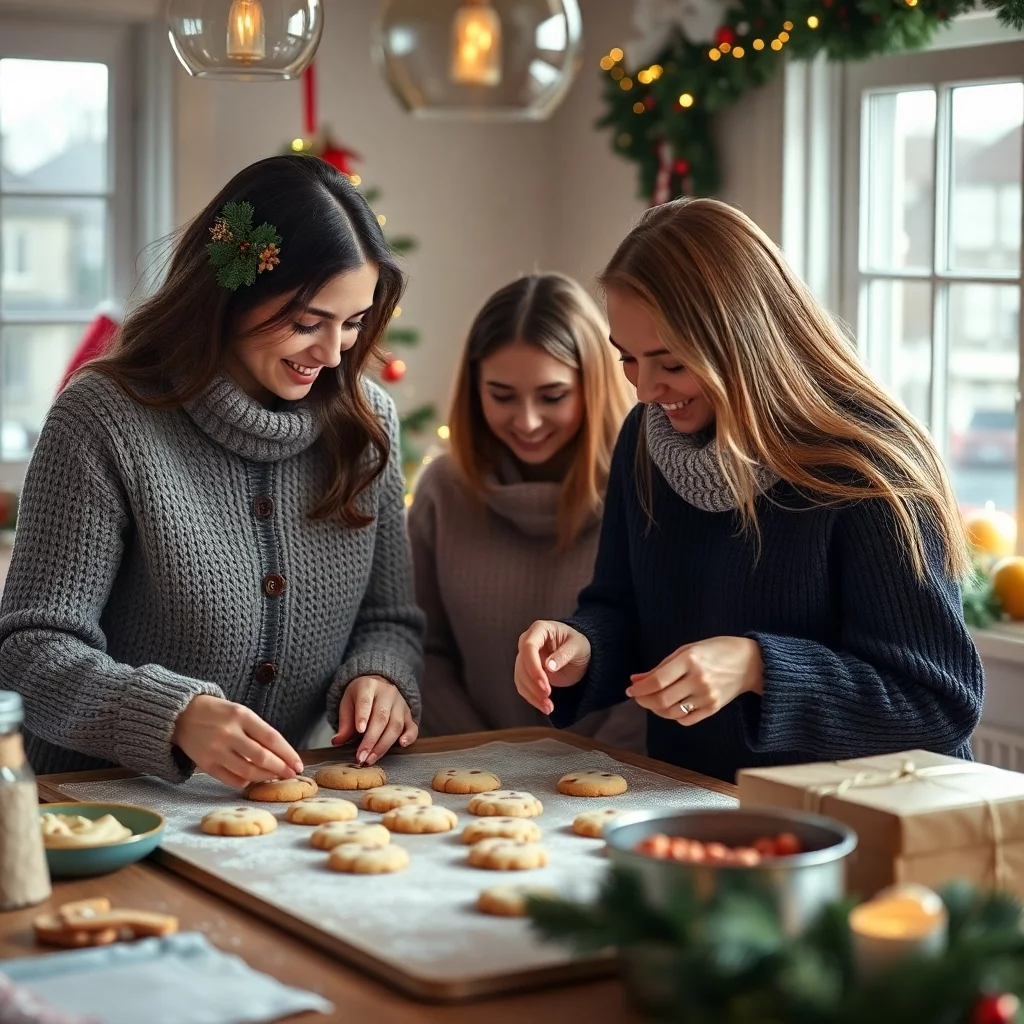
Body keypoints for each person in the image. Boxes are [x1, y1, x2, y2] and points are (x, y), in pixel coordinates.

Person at [513, 198, 984, 782]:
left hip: (857, 817)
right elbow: (621, 609)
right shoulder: (643, 440)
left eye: (671, 363)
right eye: (628, 359)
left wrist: (758, 666)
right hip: (697, 803)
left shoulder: (868, 465)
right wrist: (583, 648)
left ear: (742, 340)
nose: (645, 390)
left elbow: (938, 704)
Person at [0, 155, 424, 787]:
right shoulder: (103, 419)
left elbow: (389, 620)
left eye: (353, 324)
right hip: (95, 807)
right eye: (308, 323)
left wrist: (381, 675)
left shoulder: (366, 425)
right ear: (230, 295)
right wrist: (171, 715)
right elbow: (29, 649)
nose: (333, 354)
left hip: (279, 813)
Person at [409, 273, 644, 749]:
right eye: (502, 396)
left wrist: (593, 761)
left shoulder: (645, 487)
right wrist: (490, 757)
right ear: (474, 389)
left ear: (593, 386)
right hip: (468, 770)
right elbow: (421, 648)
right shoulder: (443, 490)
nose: (528, 421)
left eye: (552, 396)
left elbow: (658, 655)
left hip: (622, 773)